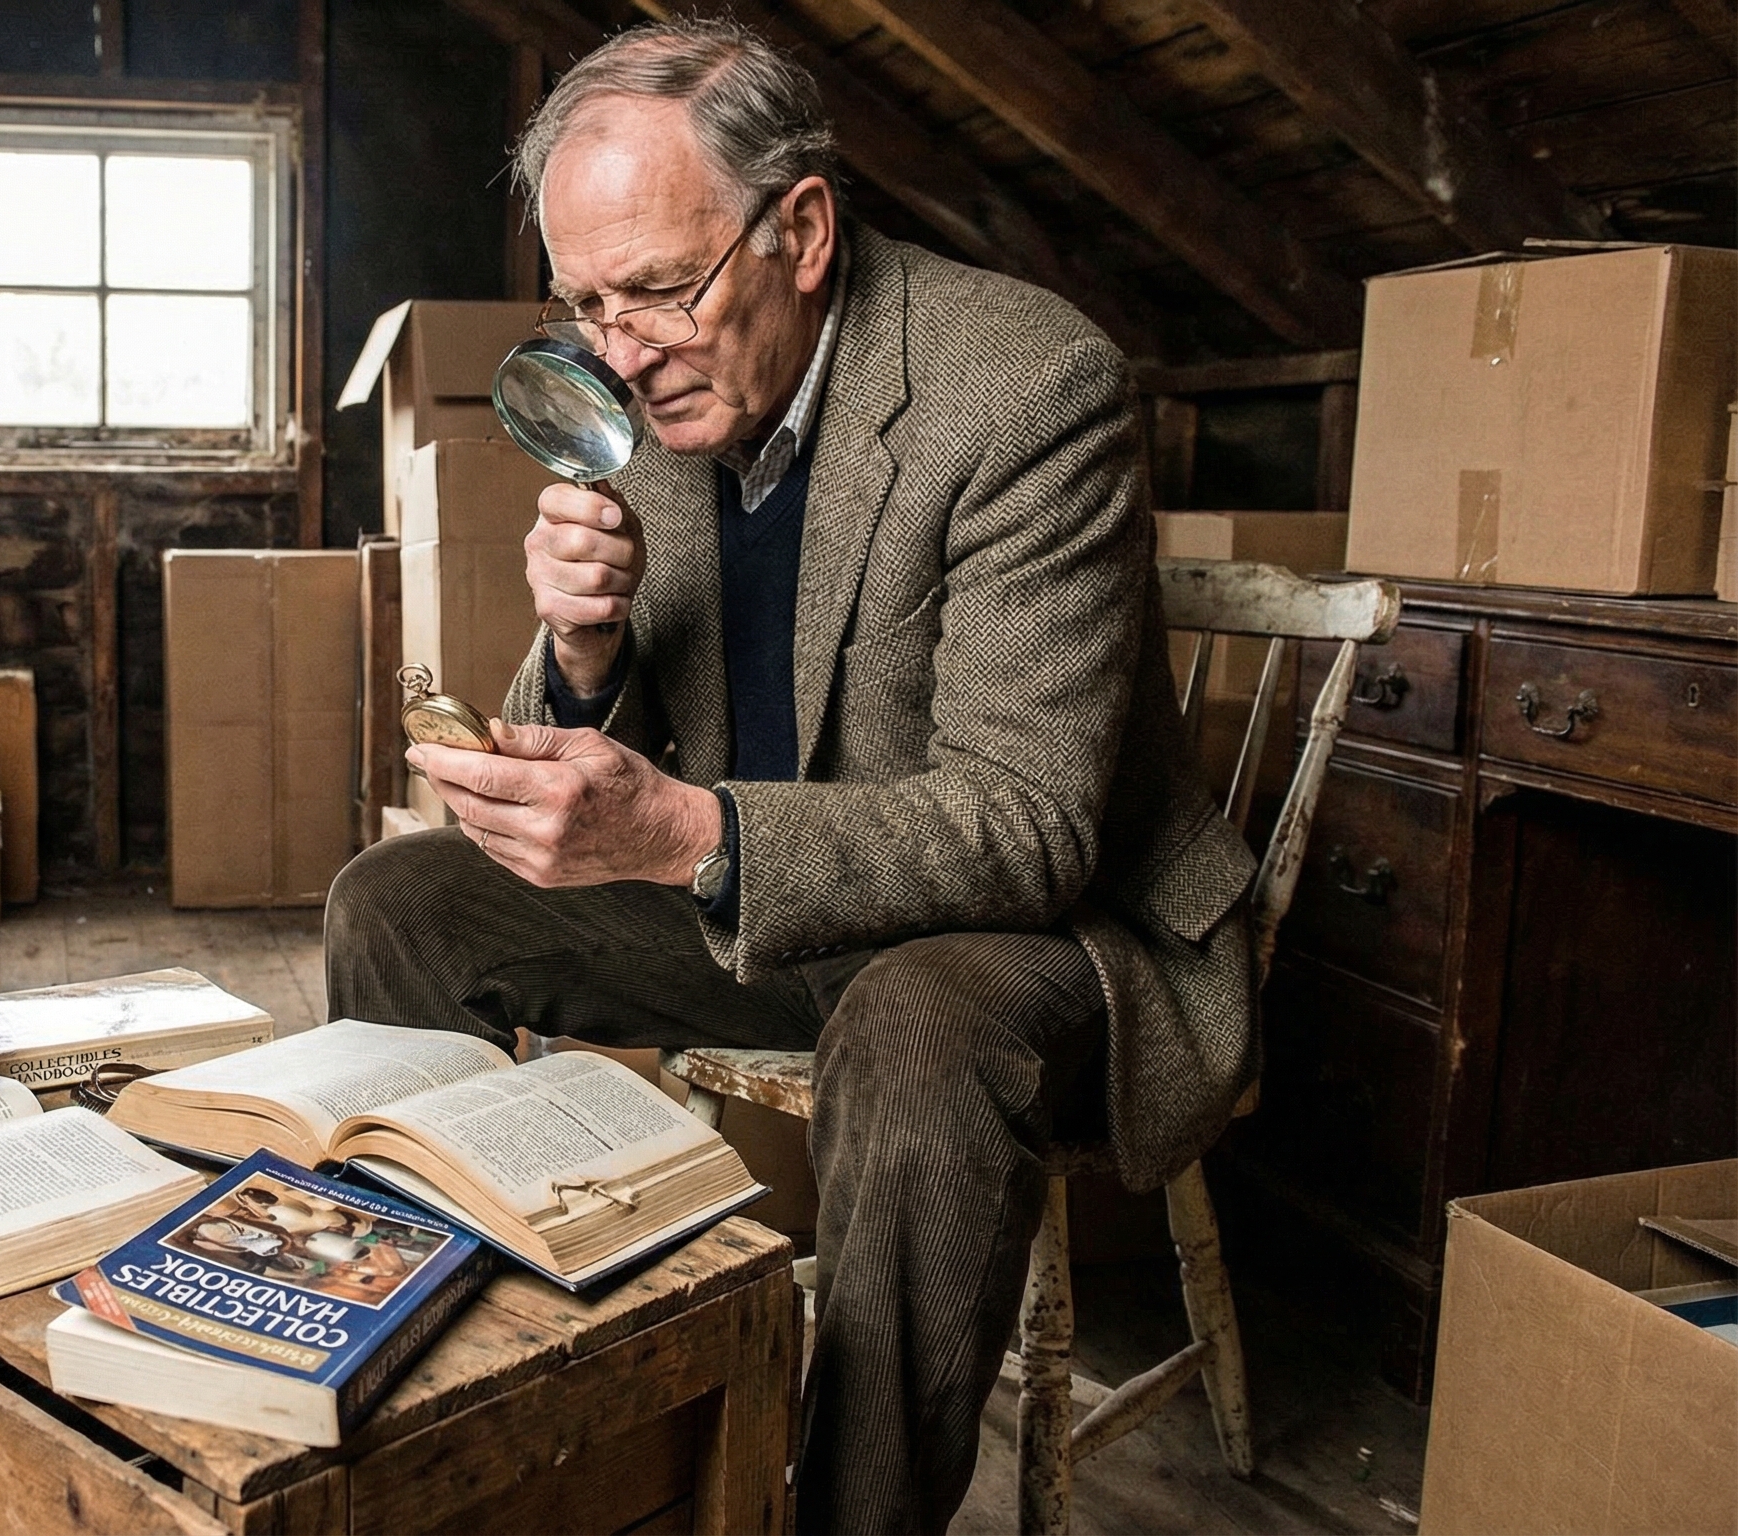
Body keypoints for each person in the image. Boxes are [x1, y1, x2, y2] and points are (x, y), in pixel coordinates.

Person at [322, 17, 1260, 1532]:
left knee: (919, 1023)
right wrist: (577, 649)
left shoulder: (1023, 386)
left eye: (658, 293)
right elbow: (577, 749)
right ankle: (455, 1398)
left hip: (1051, 940)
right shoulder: (642, 392)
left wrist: (686, 825)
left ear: (802, 229)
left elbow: (1033, 827)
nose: (619, 350)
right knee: (402, 904)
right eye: (585, 305)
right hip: (780, 911)